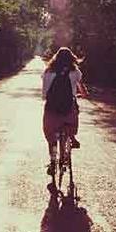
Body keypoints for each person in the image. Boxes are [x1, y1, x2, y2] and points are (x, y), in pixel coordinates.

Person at [42, 47, 88, 175]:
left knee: (51, 136)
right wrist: (81, 94)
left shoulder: (48, 71)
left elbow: (44, 94)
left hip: (51, 110)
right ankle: (72, 137)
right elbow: (82, 89)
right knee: (74, 112)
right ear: (71, 58)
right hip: (69, 110)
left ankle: (52, 161)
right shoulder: (75, 72)